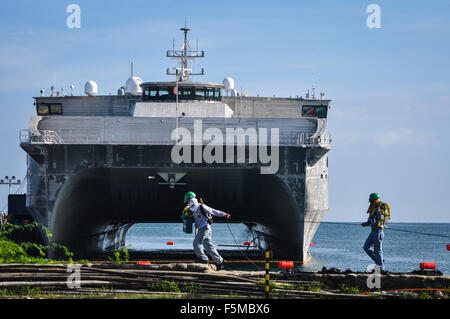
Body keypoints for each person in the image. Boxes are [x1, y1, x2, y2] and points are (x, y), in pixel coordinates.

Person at [182, 191, 231, 270]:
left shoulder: (201, 206)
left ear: (190, 200)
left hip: (205, 228)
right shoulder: (192, 209)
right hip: (203, 228)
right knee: (208, 246)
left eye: (188, 201)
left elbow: (213, 211)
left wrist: (224, 214)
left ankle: (203, 260)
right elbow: (198, 218)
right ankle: (220, 261)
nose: (187, 203)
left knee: (196, 243)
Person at [361, 192, 385, 270]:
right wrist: (366, 224)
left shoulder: (379, 207)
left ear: (374, 200)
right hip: (373, 231)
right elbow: (370, 221)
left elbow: (381, 219)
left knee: (378, 250)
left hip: (378, 231)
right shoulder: (372, 208)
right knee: (366, 247)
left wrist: (380, 225)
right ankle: (379, 261)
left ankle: (380, 267)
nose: (370, 202)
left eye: (371, 201)